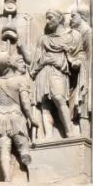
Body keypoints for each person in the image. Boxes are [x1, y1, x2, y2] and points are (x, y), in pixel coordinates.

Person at [20, 9, 77, 139]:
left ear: (60, 18)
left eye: (50, 18)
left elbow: (74, 57)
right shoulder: (43, 39)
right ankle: (48, 135)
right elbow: (34, 61)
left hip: (58, 71)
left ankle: (69, 132)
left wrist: (61, 62)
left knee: (59, 98)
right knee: (45, 105)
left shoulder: (69, 37)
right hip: (43, 72)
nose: (47, 21)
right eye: (47, 18)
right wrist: (23, 49)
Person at [0, 51, 37, 182]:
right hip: (16, 116)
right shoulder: (21, 80)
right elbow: (25, 103)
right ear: (9, 63)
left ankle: (6, 179)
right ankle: (32, 177)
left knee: (4, 150)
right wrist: (32, 118)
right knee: (24, 149)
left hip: (0, 117)